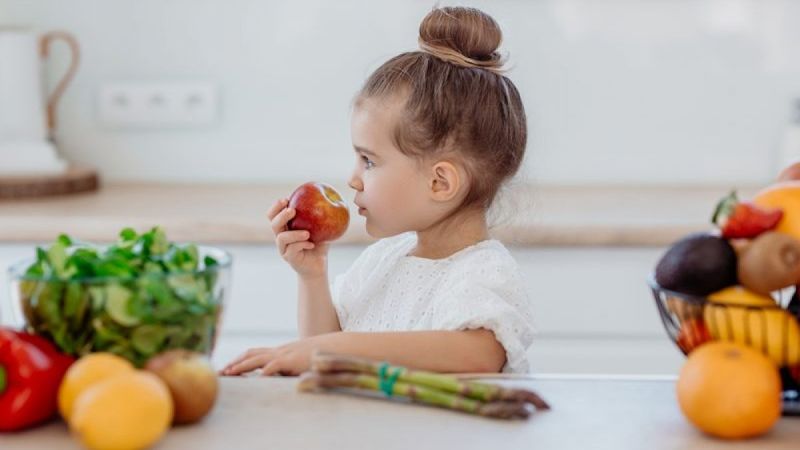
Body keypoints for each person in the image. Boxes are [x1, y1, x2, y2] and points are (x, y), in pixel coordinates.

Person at [223, 6, 534, 376]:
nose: (353, 179)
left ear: (440, 183)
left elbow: (477, 354)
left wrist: (333, 346)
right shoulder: (383, 260)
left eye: (368, 161)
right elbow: (325, 360)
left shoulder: (482, 273)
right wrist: (312, 277)